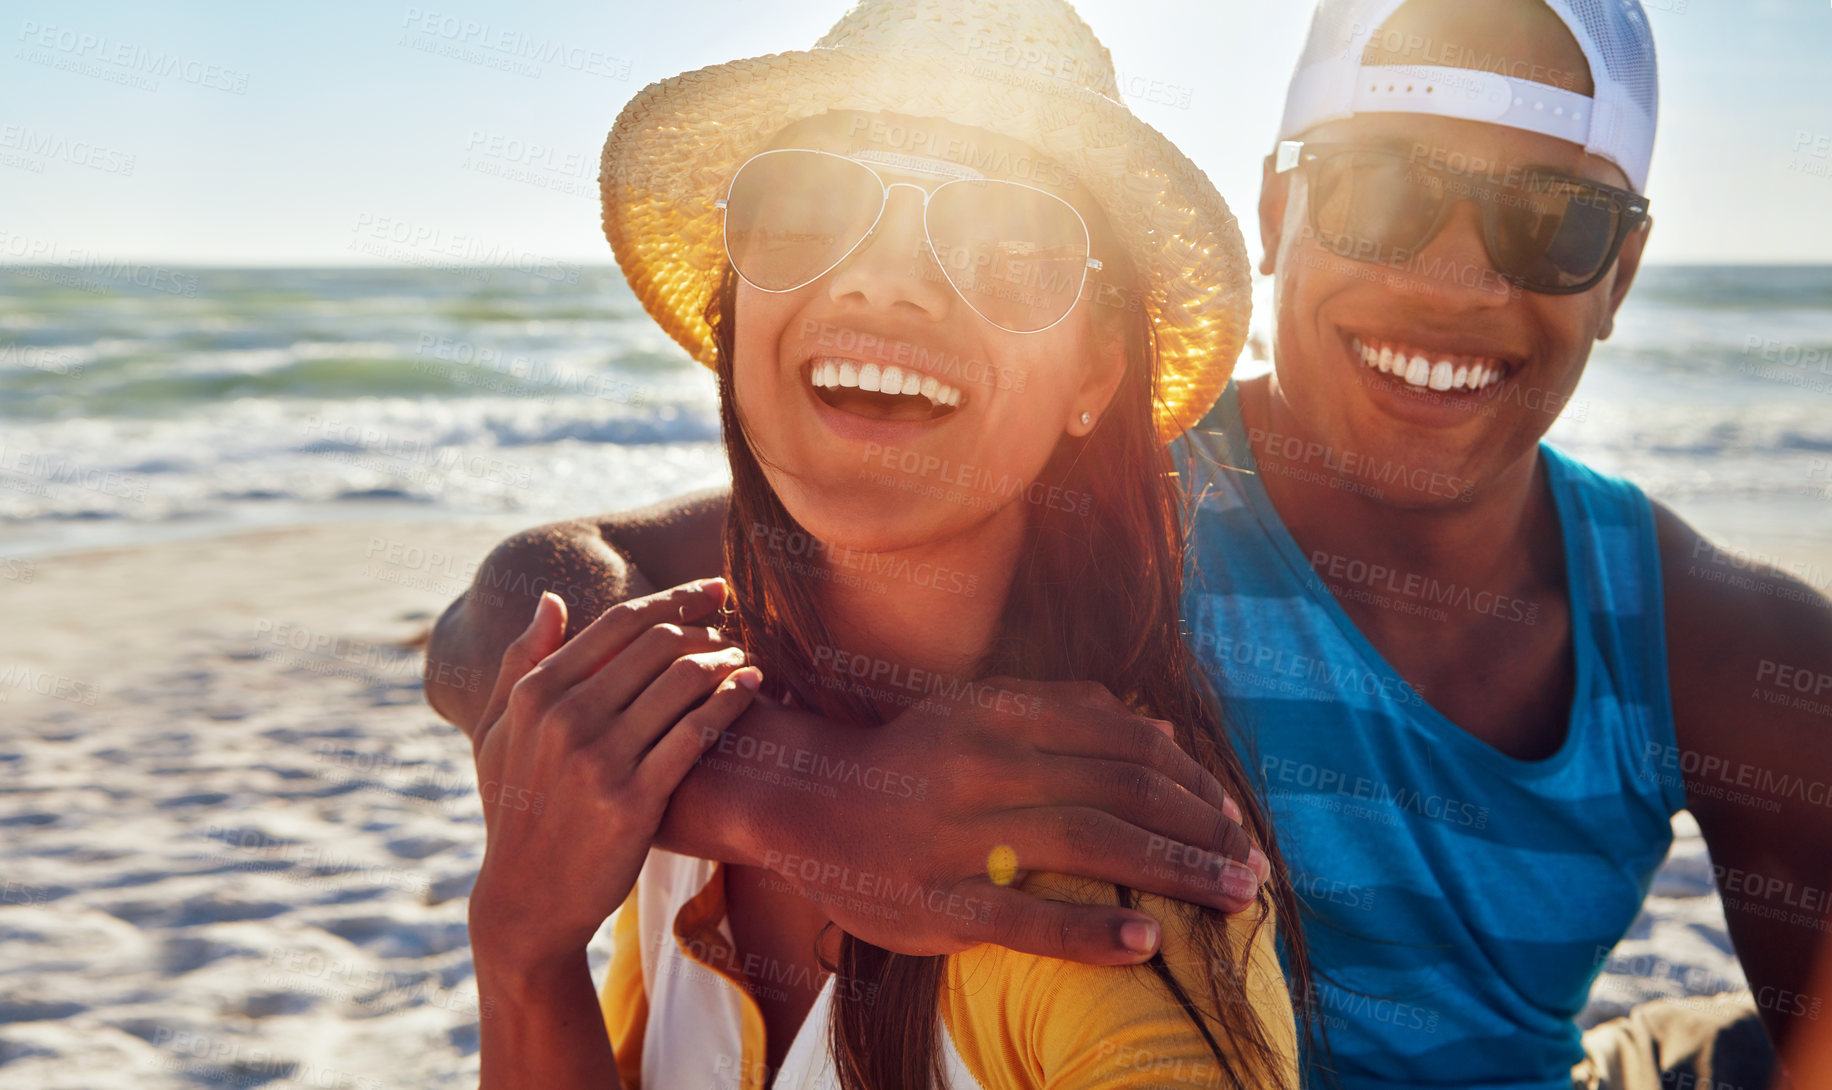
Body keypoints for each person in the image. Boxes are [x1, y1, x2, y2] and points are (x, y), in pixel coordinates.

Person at [430, 0, 1832, 1088]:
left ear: (1624, 276)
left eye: (1552, 223)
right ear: (1279, 214)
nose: (1452, 279)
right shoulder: (1094, 489)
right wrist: (818, 801)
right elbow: (518, 611)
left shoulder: (1700, 639)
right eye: (1383, 195)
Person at [459, 1, 1311, 1086]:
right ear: (733, 306)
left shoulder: (1115, 890)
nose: (884, 279)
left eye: (1008, 241)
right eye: (808, 209)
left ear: (1095, 372)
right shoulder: (684, 751)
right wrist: (525, 954)